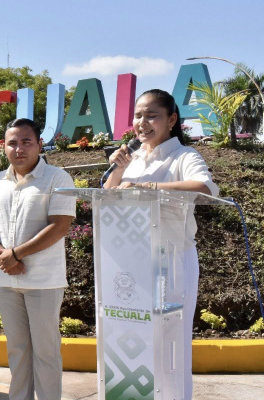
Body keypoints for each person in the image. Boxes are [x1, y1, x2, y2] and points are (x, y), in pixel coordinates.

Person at [104, 89, 219, 399]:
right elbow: (107, 195)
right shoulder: (134, 157)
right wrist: (118, 168)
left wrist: (149, 186)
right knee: (136, 341)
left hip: (172, 262)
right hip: (131, 263)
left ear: (171, 119)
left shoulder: (185, 156)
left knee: (171, 346)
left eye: (152, 115)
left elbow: (206, 186)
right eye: (138, 115)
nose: (143, 122)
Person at [0, 118, 75, 400]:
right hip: (6, 280)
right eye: (12, 143)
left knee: (45, 351)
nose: (18, 149)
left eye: (26, 142)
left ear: (39, 144)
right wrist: (0, 252)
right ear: (4, 147)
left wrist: (17, 254)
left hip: (44, 281)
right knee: (17, 349)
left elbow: (60, 225)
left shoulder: (57, 178)